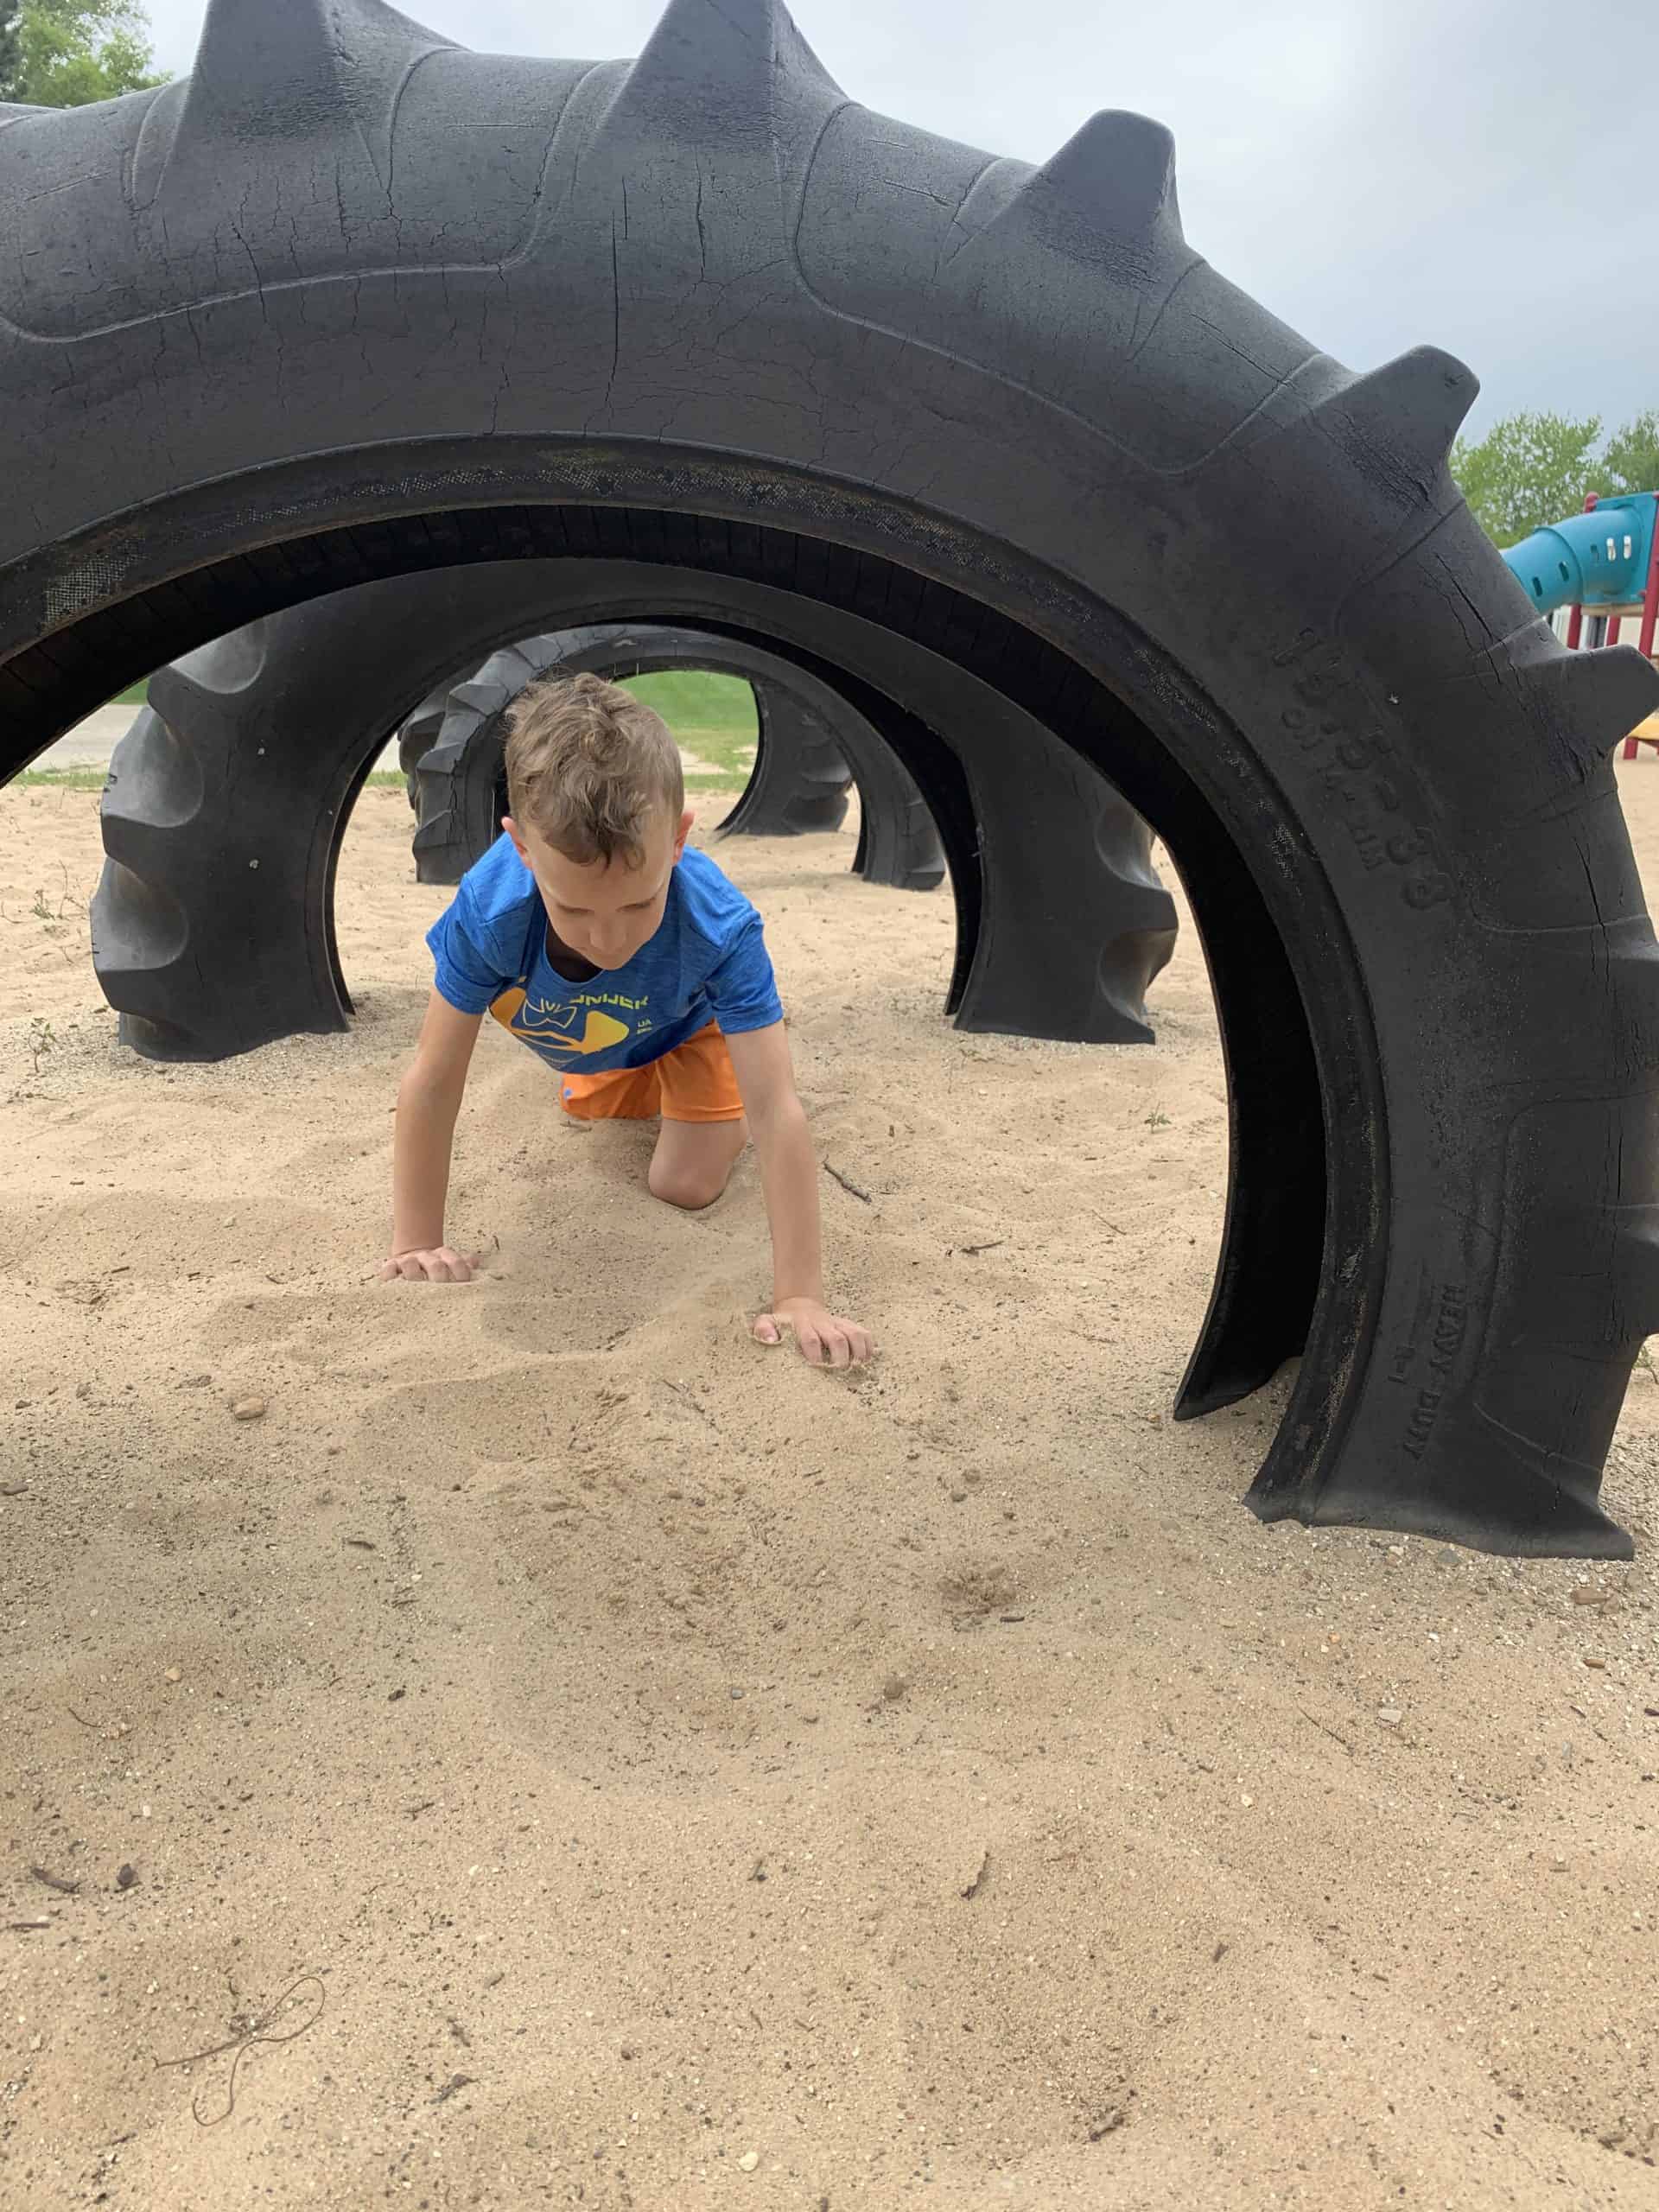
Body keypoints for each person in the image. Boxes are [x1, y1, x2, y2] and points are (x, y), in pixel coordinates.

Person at [379, 670, 873, 1368]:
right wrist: (416, 1241)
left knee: (684, 1184)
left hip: (693, 1029)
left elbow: (778, 1108)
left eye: (638, 906)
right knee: (598, 1109)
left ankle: (700, 1102)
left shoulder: (719, 925)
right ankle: (643, 1085)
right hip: (603, 1040)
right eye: (575, 910)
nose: (607, 940)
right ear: (522, 849)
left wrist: (799, 1296)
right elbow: (433, 1079)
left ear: (678, 839)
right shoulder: (489, 914)